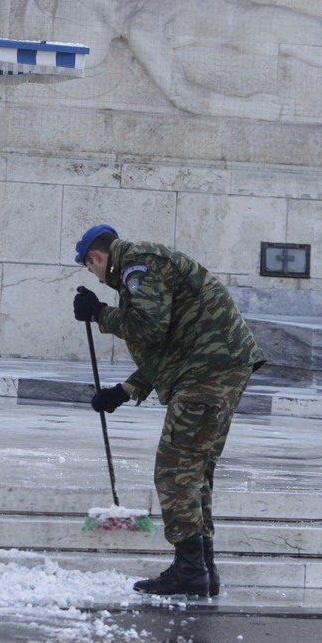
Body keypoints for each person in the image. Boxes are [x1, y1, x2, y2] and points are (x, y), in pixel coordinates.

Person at [72, 224, 265, 596]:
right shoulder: (142, 266)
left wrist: (99, 314)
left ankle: (190, 571)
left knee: (175, 469)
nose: (95, 275)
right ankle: (201, 568)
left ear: (95, 258)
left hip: (208, 371)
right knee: (194, 469)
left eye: (90, 268)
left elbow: (150, 328)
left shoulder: (137, 268)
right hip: (215, 366)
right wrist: (123, 391)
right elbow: (169, 343)